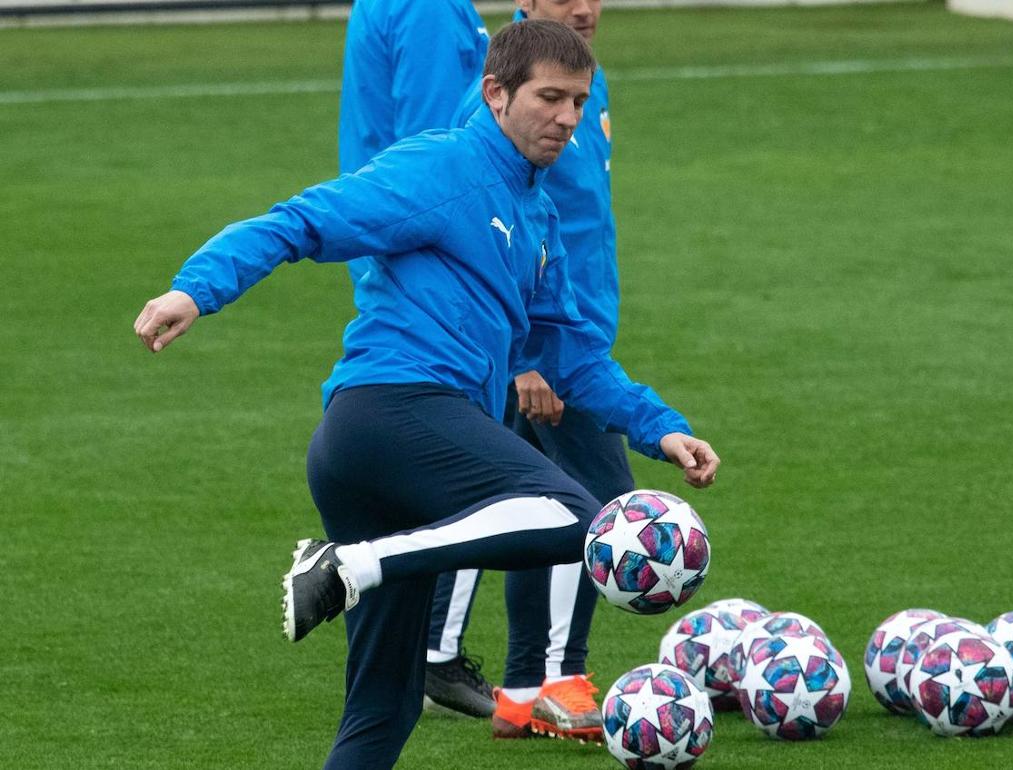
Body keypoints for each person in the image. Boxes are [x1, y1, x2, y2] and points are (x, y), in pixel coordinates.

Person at [132, 21, 719, 770]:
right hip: (391, 415)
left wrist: (660, 428)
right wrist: (195, 289)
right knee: (579, 516)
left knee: (384, 707)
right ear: (495, 94)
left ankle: (359, 562)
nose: (567, 119)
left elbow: (569, 354)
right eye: (549, 98)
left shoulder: (537, 216)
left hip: (388, 453)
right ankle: (352, 564)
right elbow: (302, 221)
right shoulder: (442, 168)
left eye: (578, 101)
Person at [430, 0, 625, 743]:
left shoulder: (578, 77)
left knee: (524, 510)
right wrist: (522, 363)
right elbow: (477, 226)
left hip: (573, 338)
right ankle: (552, 678)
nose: (584, 6)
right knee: (597, 503)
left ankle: (514, 693)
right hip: (538, 355)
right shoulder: (506, 86)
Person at [336, 0, 497, 719]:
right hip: (430, 254)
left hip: (398, 242)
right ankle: (428, 648)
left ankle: (390, 644)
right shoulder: (431, 7)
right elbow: (440, 148)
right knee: (488, 469)